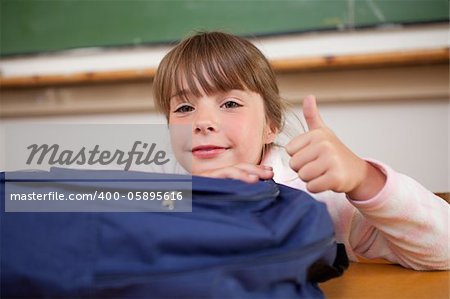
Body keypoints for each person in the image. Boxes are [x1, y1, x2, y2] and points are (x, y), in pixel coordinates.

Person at [153, 31, 449, 270]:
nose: (203, 122)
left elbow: (444, 248)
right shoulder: (162, 189)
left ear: (271, 125)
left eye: (230, 104)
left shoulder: (318, 196)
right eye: (184, 108)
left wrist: (363, 178)